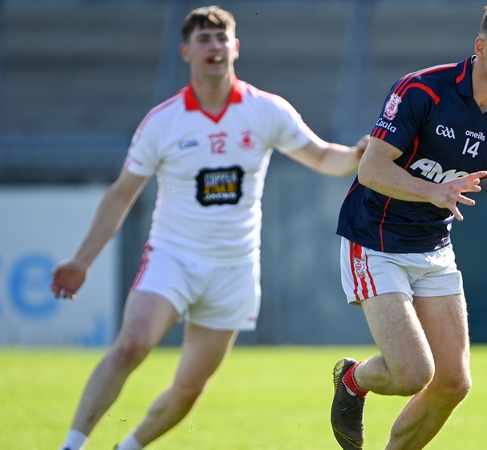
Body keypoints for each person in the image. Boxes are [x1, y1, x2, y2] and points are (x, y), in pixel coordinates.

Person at [51, 6, 367, 450]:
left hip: (234, 269)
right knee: (131, 347)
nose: (214, 46)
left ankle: (128, 446)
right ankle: (71, 445)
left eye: (222, 38)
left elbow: (321, 157)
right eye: (204, 39)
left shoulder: (266, 110)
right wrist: (81, 262)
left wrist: (356, 155)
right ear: (186, 52)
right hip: (172, 257)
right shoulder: (164, 121)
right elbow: (122, 192)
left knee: (189, 387)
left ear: (235, 47)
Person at [330, 1, 487, 449]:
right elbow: (371, 169)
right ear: (480, 48)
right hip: (375, 239)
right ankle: (353, 379)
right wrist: (432, 191)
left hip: (433, 249)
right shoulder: (422, 91)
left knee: (453, 383)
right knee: (412, 373)